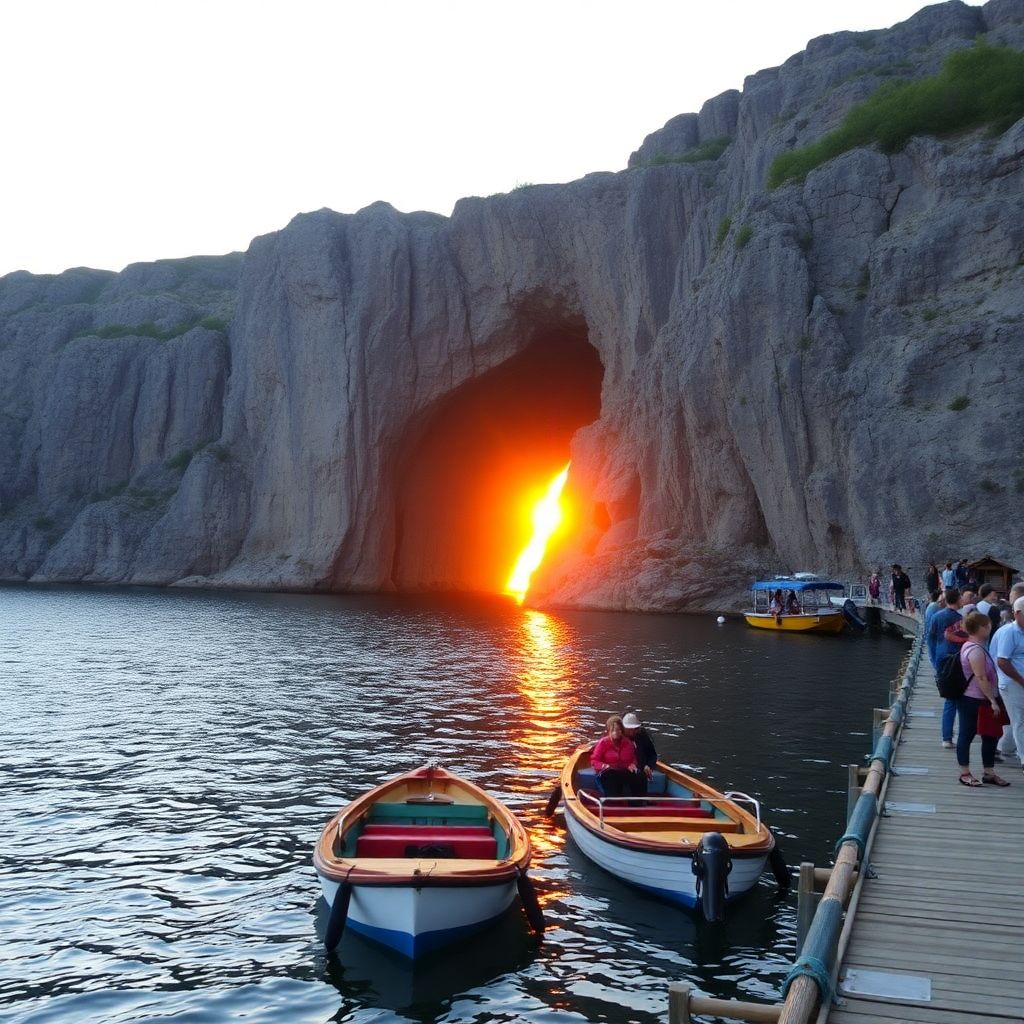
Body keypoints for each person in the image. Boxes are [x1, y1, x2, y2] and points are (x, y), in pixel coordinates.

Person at [956, 612, 1010, 787]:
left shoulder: (978, 646)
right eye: (986, 625)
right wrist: (993, 700)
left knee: (990, 735)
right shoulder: (974, 650)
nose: (989, 627)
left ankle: (989, 772)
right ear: (978, 628)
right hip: (974, 699)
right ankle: (965, 772)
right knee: (967, 734)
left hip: (983, 698)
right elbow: (981, 678)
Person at [928, 587, 963, 748]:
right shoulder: (962, 620)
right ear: (957, 600)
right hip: (958, 661)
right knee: (961, 700)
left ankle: (946, 737)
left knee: (950, 700)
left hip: (941, 659)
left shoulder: (936, 616)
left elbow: (930, 639)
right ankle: (960, 735)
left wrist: (934, 660)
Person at [993, 595, 1024, 774]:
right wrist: (1021, 680)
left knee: (1017, 720)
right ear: (1018, 613)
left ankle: (1000, 748)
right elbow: (1002, 661)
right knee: (1019, 720)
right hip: (1011, 683)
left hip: (1018, 681)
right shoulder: (1009, 633)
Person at [590, 715, 643, 798]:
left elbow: (633, 759)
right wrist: (604, 766)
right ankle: (612, 802)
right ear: (609, 731)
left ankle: (638, 803)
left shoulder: (628, 743)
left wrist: (632, 764)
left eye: (618, 730)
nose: (616, 732)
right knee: (610, 776)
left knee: (639, 775)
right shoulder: (603, 743)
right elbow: (594, 760)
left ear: (622, 730)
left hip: (623, 771)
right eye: (613, 730)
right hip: (608, 772)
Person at [622, 712, 658, 793]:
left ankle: (641, 802)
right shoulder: (619, 736)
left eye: (635, 729)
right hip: (623, 768)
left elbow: (652, 755)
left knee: (640, 775)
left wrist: (649, 766)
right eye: (629, 729)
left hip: (640, 769)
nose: (632, 732)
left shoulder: (643, 736)